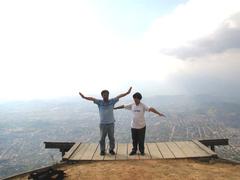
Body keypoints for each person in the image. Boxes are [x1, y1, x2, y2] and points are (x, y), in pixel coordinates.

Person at [79, 87, 132, 156]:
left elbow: (120, 96)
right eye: (104, 95)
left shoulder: (112, 101)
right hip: (103, 124)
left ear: (108, 95)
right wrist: (84, 97)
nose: (106, 96)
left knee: (111, 138)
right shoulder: (99, 102)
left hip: (111, 123)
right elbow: (92, 98)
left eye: (107, 94)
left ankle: (111, 149)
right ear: (102, 95)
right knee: (102, 138)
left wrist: (127, 93)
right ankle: (102, 150)